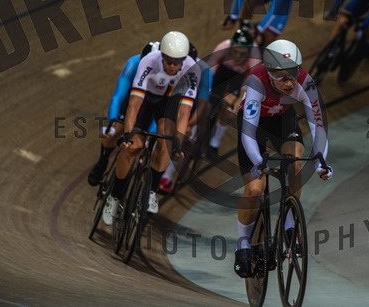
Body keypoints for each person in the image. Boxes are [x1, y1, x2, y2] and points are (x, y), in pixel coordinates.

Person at [233, 39, 332, 278]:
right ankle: (243, 243)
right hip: (254, 126)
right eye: (281, 76)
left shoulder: (306, 83)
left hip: (282, 120)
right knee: (255, 189)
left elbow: (318, 127)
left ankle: (289, 223)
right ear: (268, 73)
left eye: (293, 74)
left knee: (295, 163)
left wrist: (320, 162)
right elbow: (248, 132)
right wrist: (258, 161)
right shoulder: (256, 81)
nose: (289, 82)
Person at [102, 31, 199, 224]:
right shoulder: (149, 61)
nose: (172, 66)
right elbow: (134, 105)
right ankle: (115, 195)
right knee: (134, 147)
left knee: (166, 143)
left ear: (184, 59)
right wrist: (128, 134)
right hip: (145, 99)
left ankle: (152, 191)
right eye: (168, 61)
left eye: (177, 62)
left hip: (168, 102)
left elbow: (184, 113)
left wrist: (178, 144)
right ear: (162, 56)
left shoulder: (191, 69)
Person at [87, 41, 160, 187]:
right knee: (115, 130)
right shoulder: (133, 63)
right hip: (133, 97)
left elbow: (162, 110)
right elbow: (118, 97)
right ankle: (102, 161)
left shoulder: (168, 73)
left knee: (143, 143)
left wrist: (151, 133)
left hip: (153, 105)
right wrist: (112, 123)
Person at [157, 43, 214, 194]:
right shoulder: (170, 66)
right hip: (171, 101)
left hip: (191, 106)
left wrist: (190, 124)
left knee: (184, 136)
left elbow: (202, 103)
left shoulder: (203, 70)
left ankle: (167, 176)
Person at [205, 28, 261, 156]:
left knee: (229, 112)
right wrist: (206, 93)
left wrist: (237, 103)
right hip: (222, 71)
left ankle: (215, 142)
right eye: (235, 51)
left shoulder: (255, 58)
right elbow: (209, 71)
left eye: (243, 54)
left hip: (240, 78)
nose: (238, 56)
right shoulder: (222, 47)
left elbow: (247, 86)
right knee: (203, 103)